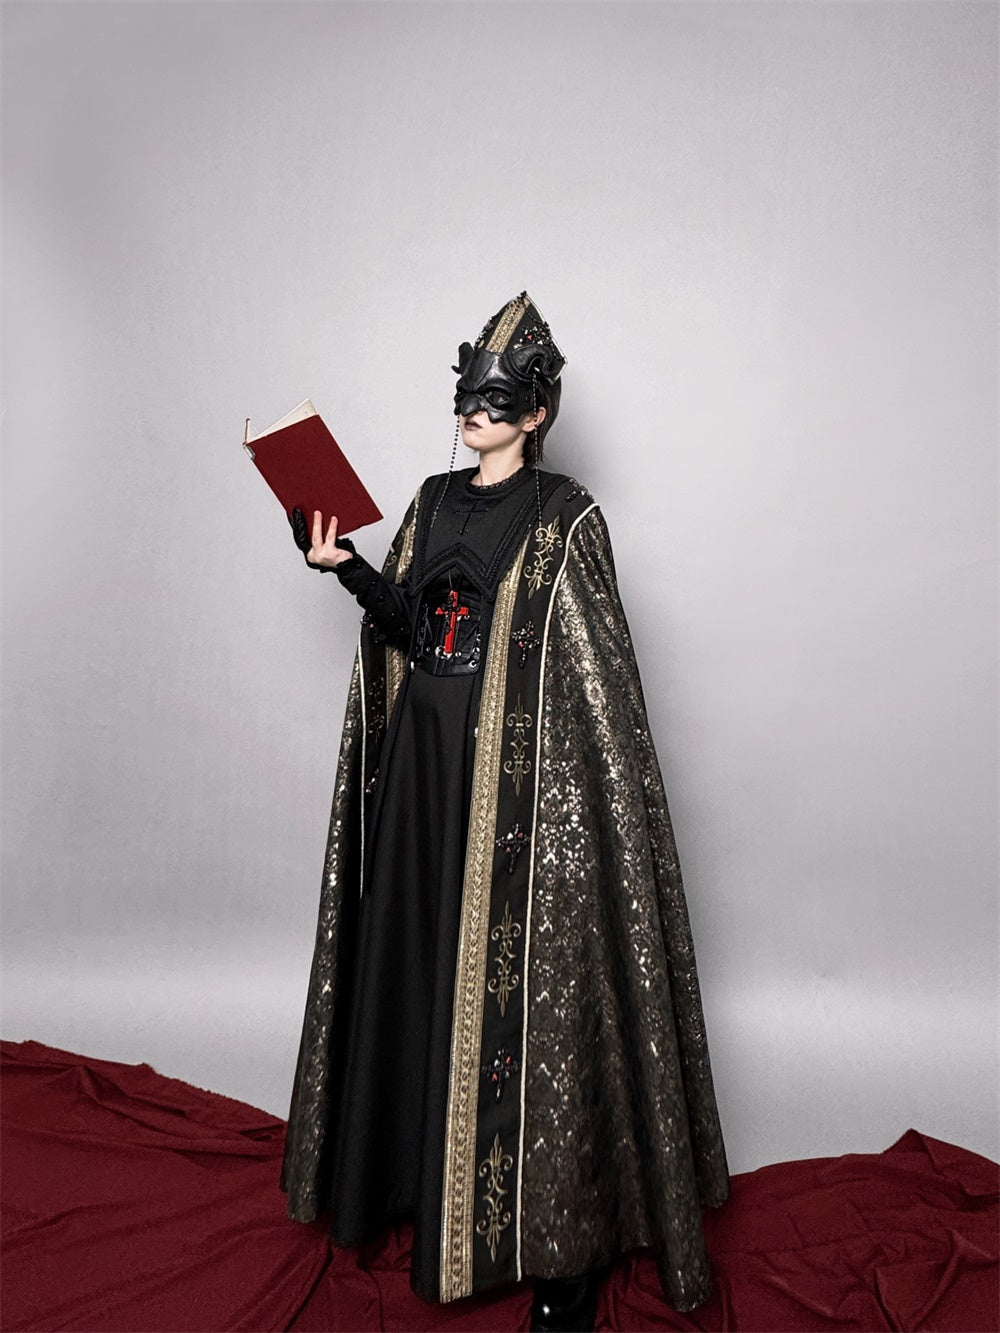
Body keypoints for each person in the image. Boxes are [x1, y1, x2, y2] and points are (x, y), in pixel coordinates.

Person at [280, 292, 729, 1331]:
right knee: (424, 970)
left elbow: (594, 684)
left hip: (519, 798)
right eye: (466, 396)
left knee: (528, 1006)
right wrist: (347, 567)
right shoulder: (432, 500)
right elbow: (409, 626)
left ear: (537, 412)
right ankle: (415, 1183)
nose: (473, 412)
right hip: (425, 775)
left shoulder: (566, 515)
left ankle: (556, 1244)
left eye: (496, 400)